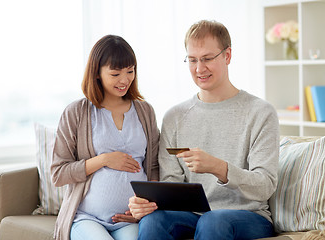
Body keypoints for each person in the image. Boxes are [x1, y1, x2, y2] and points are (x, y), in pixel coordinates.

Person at [128, 20, 280, 240]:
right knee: (152, 221)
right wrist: (148, 203)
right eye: (192, 60)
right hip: (192, 214)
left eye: (207, 59)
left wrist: (219, 168)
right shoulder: (174, 117)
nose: (199, 69)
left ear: (227, 56)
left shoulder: (260, 112)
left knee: (213, 221)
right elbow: (172, 182)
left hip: (248, 216)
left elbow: (265, 186)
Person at [50, 35, 160, 240]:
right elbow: (58, 173)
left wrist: (143, 207)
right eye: (115, 73)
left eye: (130, 71)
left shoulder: (145, 111)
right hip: (87, 218)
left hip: (128, 220)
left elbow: (154, 167)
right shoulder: (77, 112)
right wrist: (103, 160)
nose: (125, 80)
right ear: (97, 73)